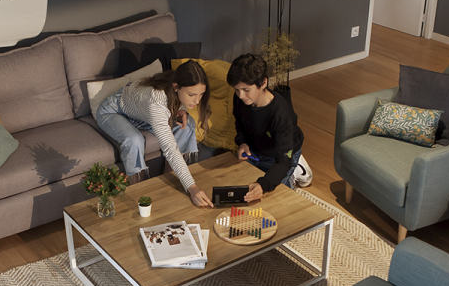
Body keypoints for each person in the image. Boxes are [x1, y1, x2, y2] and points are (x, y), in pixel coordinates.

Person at [95, 59, 215, 207]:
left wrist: (182, 109)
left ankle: (167, 181)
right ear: (176, 86)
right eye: (192, 95)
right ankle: (139, 193)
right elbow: (170, 148)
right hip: (113, 111)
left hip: (141, 116)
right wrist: (192, 186)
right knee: (134, 140)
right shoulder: (156, 103)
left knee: (187, 124)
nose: (197, 101)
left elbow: (176, 100)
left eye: (201, 94)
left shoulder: (175, 83)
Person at [226, 53, 308, 203]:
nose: (240, 95)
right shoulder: (240, 99)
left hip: (282, 155)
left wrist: (263, 185)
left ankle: (295, 171)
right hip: (256, 150)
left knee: (276, 200)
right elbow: (240, 122)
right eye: (237, 89)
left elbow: (283, 161)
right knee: (240, 191)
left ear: (263, 82)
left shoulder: (281, 114)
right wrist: (242, 142)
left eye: (246, 90)